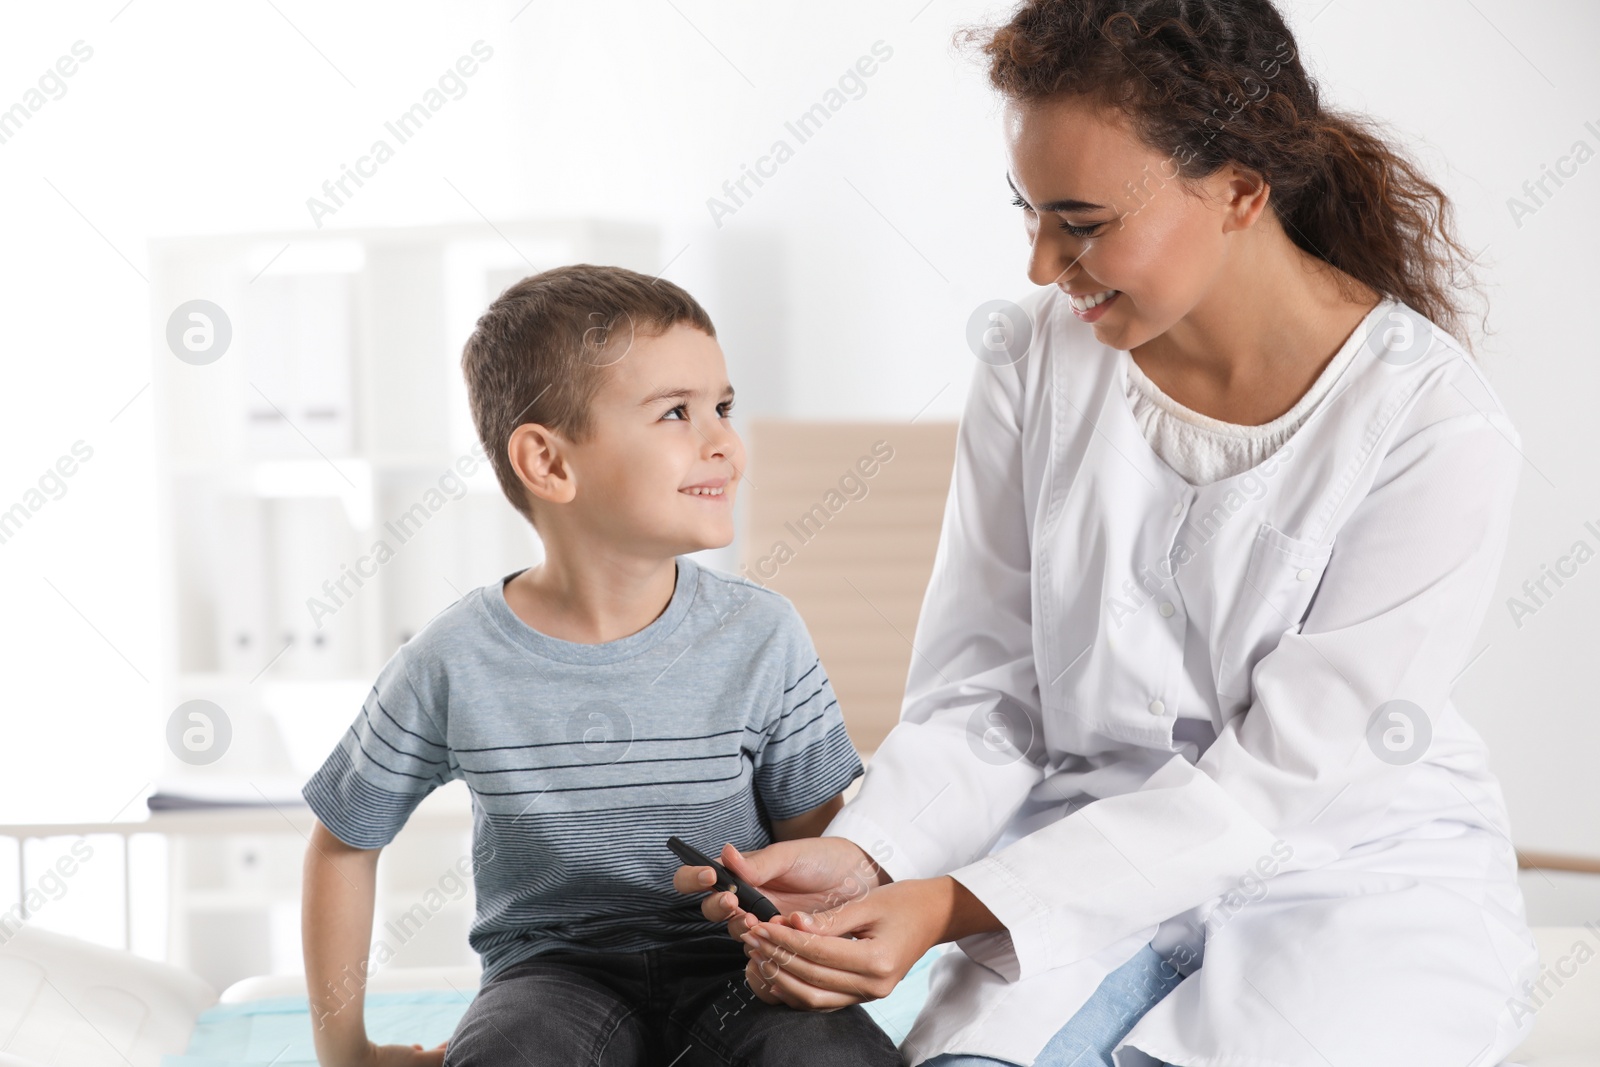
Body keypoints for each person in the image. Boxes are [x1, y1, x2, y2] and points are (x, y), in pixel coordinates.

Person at [673, 1, 1542, 1064]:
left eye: (1080, 223)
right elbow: (986, 688)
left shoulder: (1431, 425)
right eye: (1029, 213)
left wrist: (951, 905)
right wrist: (867, 853)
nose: (1042, 265)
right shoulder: (1034, 359)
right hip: (1072, 857)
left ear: (1238, 191)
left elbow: (1271, 786)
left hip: (1348, 878)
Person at [298, 264, 903, 1067]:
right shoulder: (453, 659)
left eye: (723, 407)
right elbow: (343, 840)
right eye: (677, 413)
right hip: (552, 976)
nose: (724, 441)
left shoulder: (764, 634)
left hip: (741, 968)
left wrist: (809, 941)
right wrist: (346, 1053)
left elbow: (817, 845)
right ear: (548, 464)